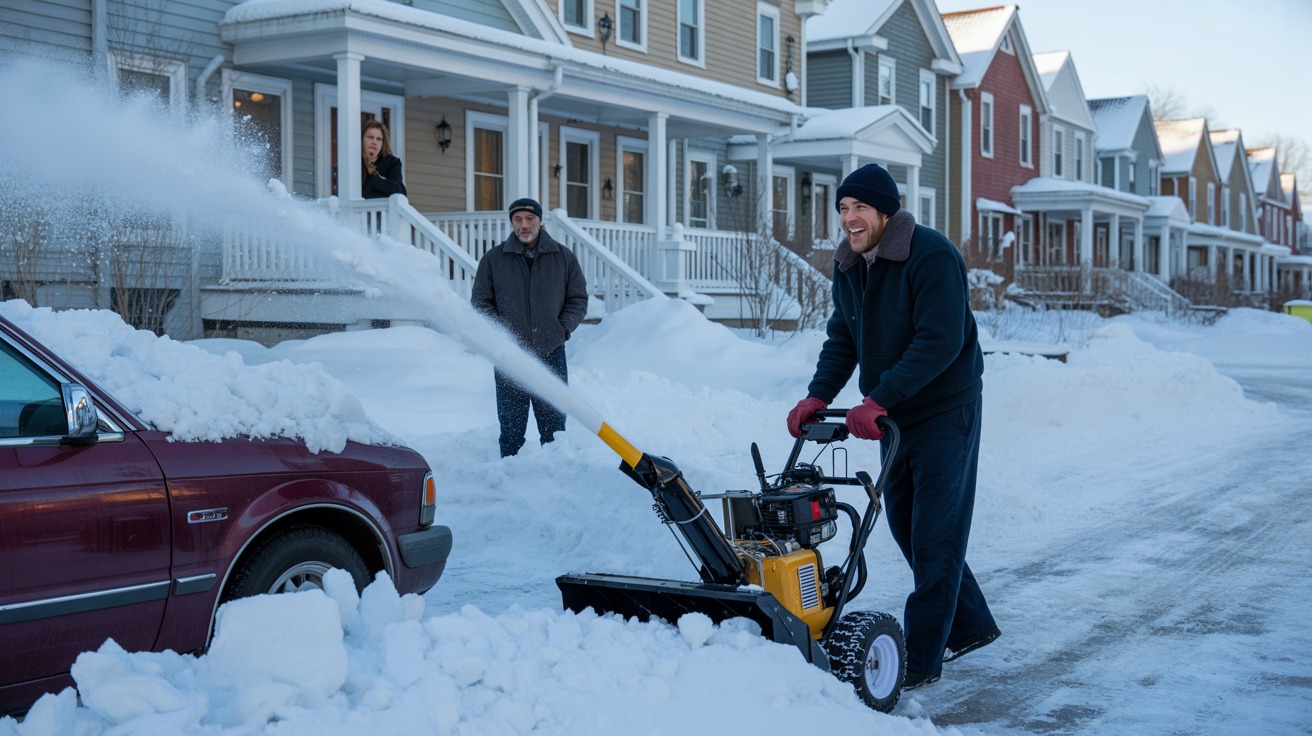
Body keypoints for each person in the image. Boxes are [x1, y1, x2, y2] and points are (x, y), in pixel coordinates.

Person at [786, 163, 1000, 692]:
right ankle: (971, 625)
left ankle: (923, 658)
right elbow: (844, 337)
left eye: (859, 208)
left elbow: (940, 340)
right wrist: (819, 394)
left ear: (886, 211)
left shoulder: (931, 255)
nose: (849, 219)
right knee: (909, 528)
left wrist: (879, 395)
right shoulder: (849, 264)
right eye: (842, 209)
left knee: (935, 533)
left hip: (945, 408)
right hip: (894, 412)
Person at [471, 198, 588, 457]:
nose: (524, 225)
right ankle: (509, 479)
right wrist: (502, 337)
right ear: (512, 223)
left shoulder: (563, 257)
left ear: (540, 220)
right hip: (509, 356)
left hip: (550, 352)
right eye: (518, 219)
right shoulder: (494, 259)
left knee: (554, 428)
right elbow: (480, 302)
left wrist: (562, 329)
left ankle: (557, 474)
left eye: (530, 219)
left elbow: (578, 299)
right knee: (511, 430)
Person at [361, 120, 406, 199]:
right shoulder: (354, 161)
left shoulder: (392, 163)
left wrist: (374, 175)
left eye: (378, 139)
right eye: (370, 137)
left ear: (383, 143)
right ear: (362, 139)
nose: (374, 142)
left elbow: (398, 193)